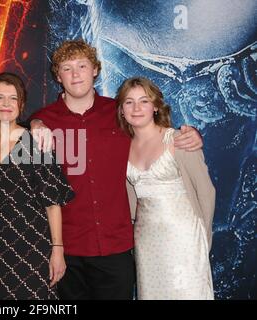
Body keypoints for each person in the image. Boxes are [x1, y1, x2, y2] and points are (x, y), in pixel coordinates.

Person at [29, 39, 204, 299]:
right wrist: (33, 122)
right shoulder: (45, 120)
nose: (75, 74)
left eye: (82, 65)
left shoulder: (120, 113)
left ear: (96, 70)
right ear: (58, 75)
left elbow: (156, 135)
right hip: (67, 249)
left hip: (117, 246)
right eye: (67, 68)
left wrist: (188, 135)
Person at [0, 72, 74, 299]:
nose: (6, 104)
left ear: (21, 105)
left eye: (13, 98)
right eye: (0, 97)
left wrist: (57, 250)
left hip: (33, 244)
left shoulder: (36, 142)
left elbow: (52, 204)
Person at [116, 77, 215, 299]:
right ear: (122, 110)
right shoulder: (122, 147)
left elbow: (206, 192)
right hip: (146, 241)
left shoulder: (179, 140)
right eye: (129, 102)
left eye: (144, 101)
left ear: (155, 106)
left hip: (185, 237)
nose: (137, 108)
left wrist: (203, 237)